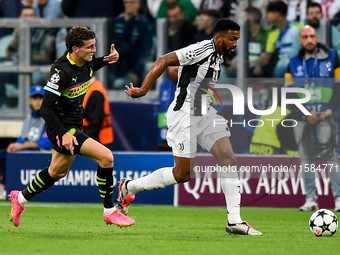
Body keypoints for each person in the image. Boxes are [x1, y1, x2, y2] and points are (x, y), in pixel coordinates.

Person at [122, 18, 262, 235]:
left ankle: (234, 221)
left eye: (237, 39)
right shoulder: (202, 49)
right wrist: (143, 89)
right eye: (232, 39)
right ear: (218, 38)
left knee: (229, 158)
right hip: (184, 114)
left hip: (205, 113)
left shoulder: (218, 56)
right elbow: (164, 59)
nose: (235, 44)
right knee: (182, 174)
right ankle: (130, 187)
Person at [8, 26, 135, 228]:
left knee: (57, 172)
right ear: (75, 49)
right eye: (89, 47)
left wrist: (107, 59)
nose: (94, 50)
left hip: (74, 125)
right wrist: (63, 133)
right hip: (62, 127)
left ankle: (20, 198)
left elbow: (93, 64)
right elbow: (45, 109)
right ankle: (110, 211)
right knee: (106, 157)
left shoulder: (85, 62)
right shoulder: (60, 71)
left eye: (95, 46)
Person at [284, 25, 340, 212]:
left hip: (325, 116)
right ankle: (311, 199)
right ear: (300, 41)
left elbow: (339, 86)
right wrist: (306, 113)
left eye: (312, 36)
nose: (309, 40)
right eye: (305, 37)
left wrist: (331, 109)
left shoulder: (332, 57)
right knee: (306, 159)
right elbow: (289, 94)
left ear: (317, 38)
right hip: (302, 118)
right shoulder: (292, 63)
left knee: (330, 156)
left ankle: (338, 199)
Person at [0, 85, 53, 199]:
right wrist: (14, 146)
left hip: (41, 152)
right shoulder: (28, 119)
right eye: (35, 98)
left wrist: (20, 146)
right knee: (4, 153)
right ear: (30, 100)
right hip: (27, 149)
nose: (38, 101)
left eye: (40, 98)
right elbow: (22, 139)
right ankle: (5, 186)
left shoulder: (49, 117)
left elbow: (47, 143)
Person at [109, 0, 153, 88]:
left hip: (133, 66)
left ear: (138, 4)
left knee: (127, 84)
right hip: (115, 67)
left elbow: (145, 51)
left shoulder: (143, 24)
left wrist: (136, 72)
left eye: (131, 2)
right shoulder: (116, 22)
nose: (128, 5)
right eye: (126, 2)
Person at [254, 1, 303, 78]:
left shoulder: (299, 28)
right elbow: (266, 57)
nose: (266, 16)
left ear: (276, 15)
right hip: (281, 70)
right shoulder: (272, 35)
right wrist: (258, 65)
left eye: (268, 13)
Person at [224, 6, 271, 78]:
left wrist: (242, 65)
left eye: (243, 18)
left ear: (250, 20)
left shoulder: (267, 33)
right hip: (243, 65)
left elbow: (264, 58)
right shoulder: (241, 33)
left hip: (257, 66)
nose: (240, 21)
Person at [83, 77, 114, 145]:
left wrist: (82, 142)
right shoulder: (89, 88)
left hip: (95, 140)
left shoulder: (95, 92)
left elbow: (95, 123)